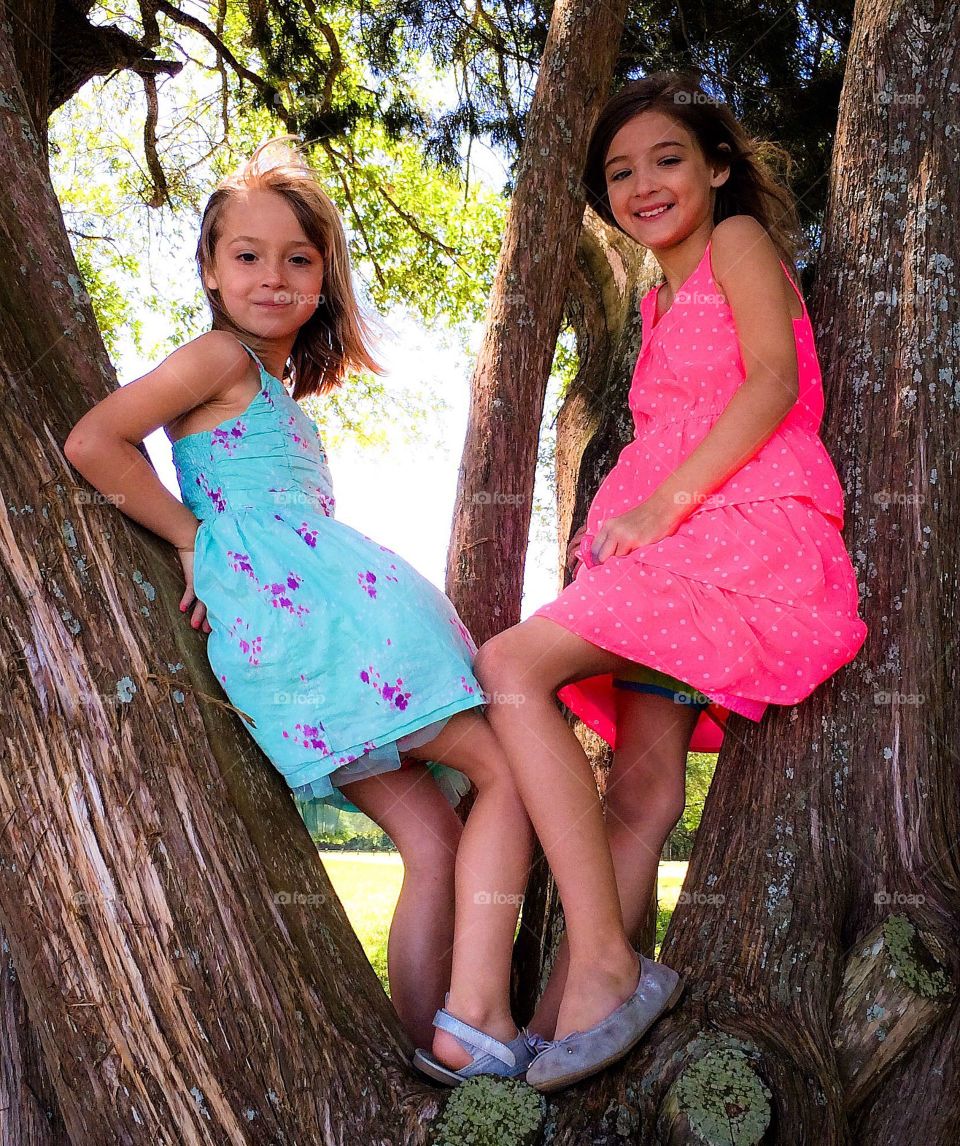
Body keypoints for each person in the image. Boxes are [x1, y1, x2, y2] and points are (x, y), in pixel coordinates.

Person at [64, 138, 537, 1080]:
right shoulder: (215, 356)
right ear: (209, 268)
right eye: (246, 255)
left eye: (298, 258)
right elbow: (95, 441)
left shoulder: (270, 384)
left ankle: (430, 1051)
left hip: (322, 627)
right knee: (512, 773)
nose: (272, 276)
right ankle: (477, 1016)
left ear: (324, 276)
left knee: (435, 840)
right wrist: (192, 536)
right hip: (316, 631)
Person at [474, 72, 869, 1092]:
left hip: (731, 527)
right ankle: (570, 1020)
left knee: (512, 665)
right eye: (619, 172)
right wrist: (636, 520)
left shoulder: (736, 243)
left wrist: (664, 508)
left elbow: (774, 385)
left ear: (719, 168)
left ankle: (608, 963)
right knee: (641, 792)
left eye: (666, 159)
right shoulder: (656, 293)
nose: (642, 183)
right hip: (671, 541)